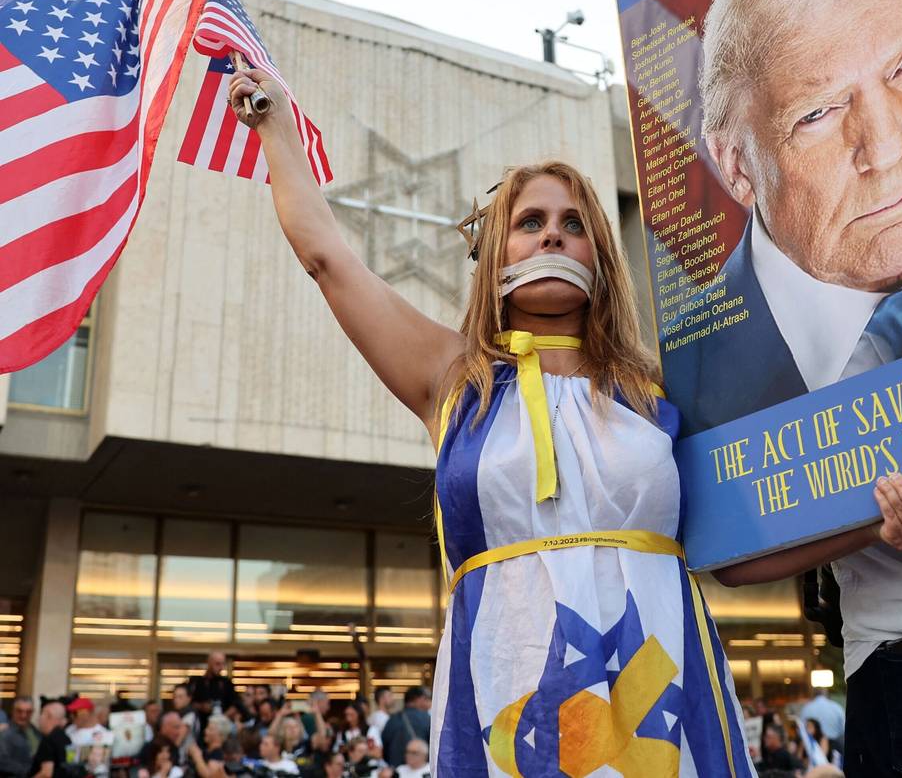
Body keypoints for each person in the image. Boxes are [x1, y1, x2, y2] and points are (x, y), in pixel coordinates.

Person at [227, 71, 756, 773]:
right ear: (494, 251)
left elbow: (750, 546)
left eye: (574, 224)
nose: (553, 235)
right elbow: (327, 257)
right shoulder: (453, 379)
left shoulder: (659, 391)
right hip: (506, 698)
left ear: (601, 254)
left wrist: (880, 518)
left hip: (663, 692)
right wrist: (274, 124)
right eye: (530, 222)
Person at [696, 0, 902, 778]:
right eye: (817, 110)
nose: (883, 146)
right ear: (736, 162)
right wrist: (877, 516)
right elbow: (731, 549)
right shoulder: (711, 360)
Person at [188, 654, 243, 727]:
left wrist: (221, 718)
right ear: (209, 663)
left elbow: (236, 704)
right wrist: (202, 706)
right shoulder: (197, 682)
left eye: (222, 664)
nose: (221, 667)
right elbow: (189, 703)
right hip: (201, 724)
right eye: (217, 664)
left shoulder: (227, 683)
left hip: (222, 726)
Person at [378, 692, 428, 771]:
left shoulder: (392, 719)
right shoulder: (427, 718)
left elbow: (384, 747)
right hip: (420, 769)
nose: (427, 703)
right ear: (418, 700)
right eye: (425, 699)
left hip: (396, 769)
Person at [0, 697, 41, 778]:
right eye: (19, 711)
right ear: (13, 711)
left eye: (28, 712)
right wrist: (29, 771)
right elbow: (2, 761)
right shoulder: (5, 733)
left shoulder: (36, 732)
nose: (23, 715)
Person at [28, 703, 68, 778]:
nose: (39, 719)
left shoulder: (48, 740)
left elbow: (46, 773)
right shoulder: (66, 738)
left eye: (41, 714)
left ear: (49, 716)